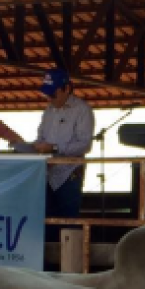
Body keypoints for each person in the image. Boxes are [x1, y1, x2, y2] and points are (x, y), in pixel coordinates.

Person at [32, 68, 95, 220]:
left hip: (69, 175)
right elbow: (41, 135)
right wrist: (36, 146)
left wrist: (54, 147)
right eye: (48, 93)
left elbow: (85, 144)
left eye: (53, 93)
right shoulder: (49, 110)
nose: (50, 98)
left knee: (69, 224)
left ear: (66, 89)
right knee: (47, 225)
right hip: (47, 174)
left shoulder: (82, 110)